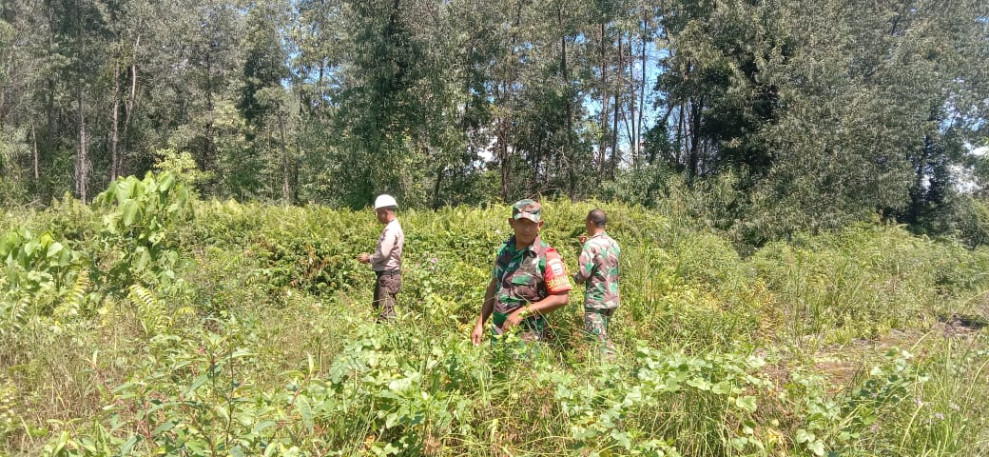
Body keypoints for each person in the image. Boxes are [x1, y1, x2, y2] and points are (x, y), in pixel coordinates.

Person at [471, 199, 571, 344]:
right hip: (497, 338)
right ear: (512, 223)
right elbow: (494, 286)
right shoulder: (504, 251)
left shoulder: (547, 256)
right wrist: (480, 323)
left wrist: (522, 313)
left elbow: (561, 298)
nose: (526, 229)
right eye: (521, 223)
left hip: (526, 342)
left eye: (531, 223)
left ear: (539, 225)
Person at [573, 209, 621, 355]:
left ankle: (604, 368)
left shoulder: (591, 245)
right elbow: (603, 264)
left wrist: (575, 277)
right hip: (611, 298)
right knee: (604, 336)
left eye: (587, 222)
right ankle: (612, 366)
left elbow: (584, 273)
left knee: (595, 341)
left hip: (596, 299)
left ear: (591, 222)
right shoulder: (614, 243)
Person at [358, 194, 405, 322]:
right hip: (387, 277)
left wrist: (368, 258)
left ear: (385, 212)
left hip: (388, 277)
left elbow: (383, 253)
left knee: (385, 315)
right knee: (379, 311)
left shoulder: (391, 229)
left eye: (378, 213)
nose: (378, 217)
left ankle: (388, 341)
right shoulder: (394, 227)